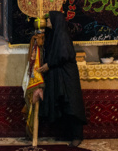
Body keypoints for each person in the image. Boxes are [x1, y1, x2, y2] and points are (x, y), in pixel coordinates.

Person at [37, 11, 87, 147]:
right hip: (59, 75)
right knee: (63, 105)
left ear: (55, 21)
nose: (47, 23)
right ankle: (67, 135)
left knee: (72, 106)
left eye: (49, 20)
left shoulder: (63, 35)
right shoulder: (54, 35)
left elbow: (64, 55)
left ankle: (77, 136)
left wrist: (49, 65)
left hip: (68, 76)